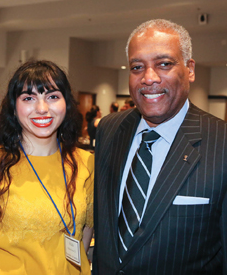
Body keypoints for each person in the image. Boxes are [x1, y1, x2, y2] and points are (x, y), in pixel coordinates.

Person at [93, 19, 227, 274]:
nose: (149, 78)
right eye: (137, 67)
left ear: (190, 69)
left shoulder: (221, 144)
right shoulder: (110, 130)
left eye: (164, 64)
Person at [0, 60, 94, 274]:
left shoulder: (86, 162)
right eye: (29, 98)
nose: (42, 108)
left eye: (52, 96)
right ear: (14, 108)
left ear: (66, 104)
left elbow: (84, 230)